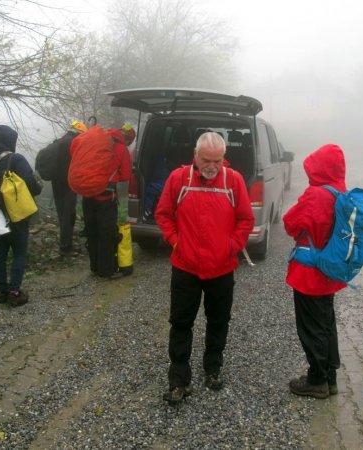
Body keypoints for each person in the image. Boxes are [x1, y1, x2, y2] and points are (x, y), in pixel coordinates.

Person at [155, 131, 254, 405]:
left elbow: (245, 219)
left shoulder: (233, 180)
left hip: (221, 267)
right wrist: (175, 242)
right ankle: (178, 380)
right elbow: (163, 214)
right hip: (186, 266)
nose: (212, 166)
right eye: (206, 159)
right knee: (181, 323)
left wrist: (231, 246)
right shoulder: (179, 178)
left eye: (218, 160)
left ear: (224, 158)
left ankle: (213, 369)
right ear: (195, 156)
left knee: (218, 321)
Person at [283, 143, 348, 399]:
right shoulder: (340, 192)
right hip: (330, 271)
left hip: (310, 274)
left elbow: (290, 223)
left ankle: (317, 380)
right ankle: (330, 378)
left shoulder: (317, 195)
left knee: (311, 327)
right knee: (326, 323)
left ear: (319, 168)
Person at [0, 125, 43, 307]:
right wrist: (39, 187)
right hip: (16, 216)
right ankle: (15, 292)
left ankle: (3, 292)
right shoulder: (16, 159)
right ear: (10, 140)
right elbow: (32, 185)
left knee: (0, 254)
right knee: (19, 253)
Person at [82, 124, 133, 279]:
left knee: (92, 231)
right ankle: (106, 271)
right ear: (127, 138)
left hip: (87, 195)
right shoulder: (120, 148)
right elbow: (125, 175)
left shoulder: (96, 142)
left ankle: (94, 267)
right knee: (106, 234)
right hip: (105, 198)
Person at [50, 121, 87, 255]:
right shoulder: (72, 143)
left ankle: (65, 244)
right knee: (68, 215)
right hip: (68, 184)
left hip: (57, 183)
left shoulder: (59, 141)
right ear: (79, 133)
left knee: (62, 214)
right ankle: (65, 247)